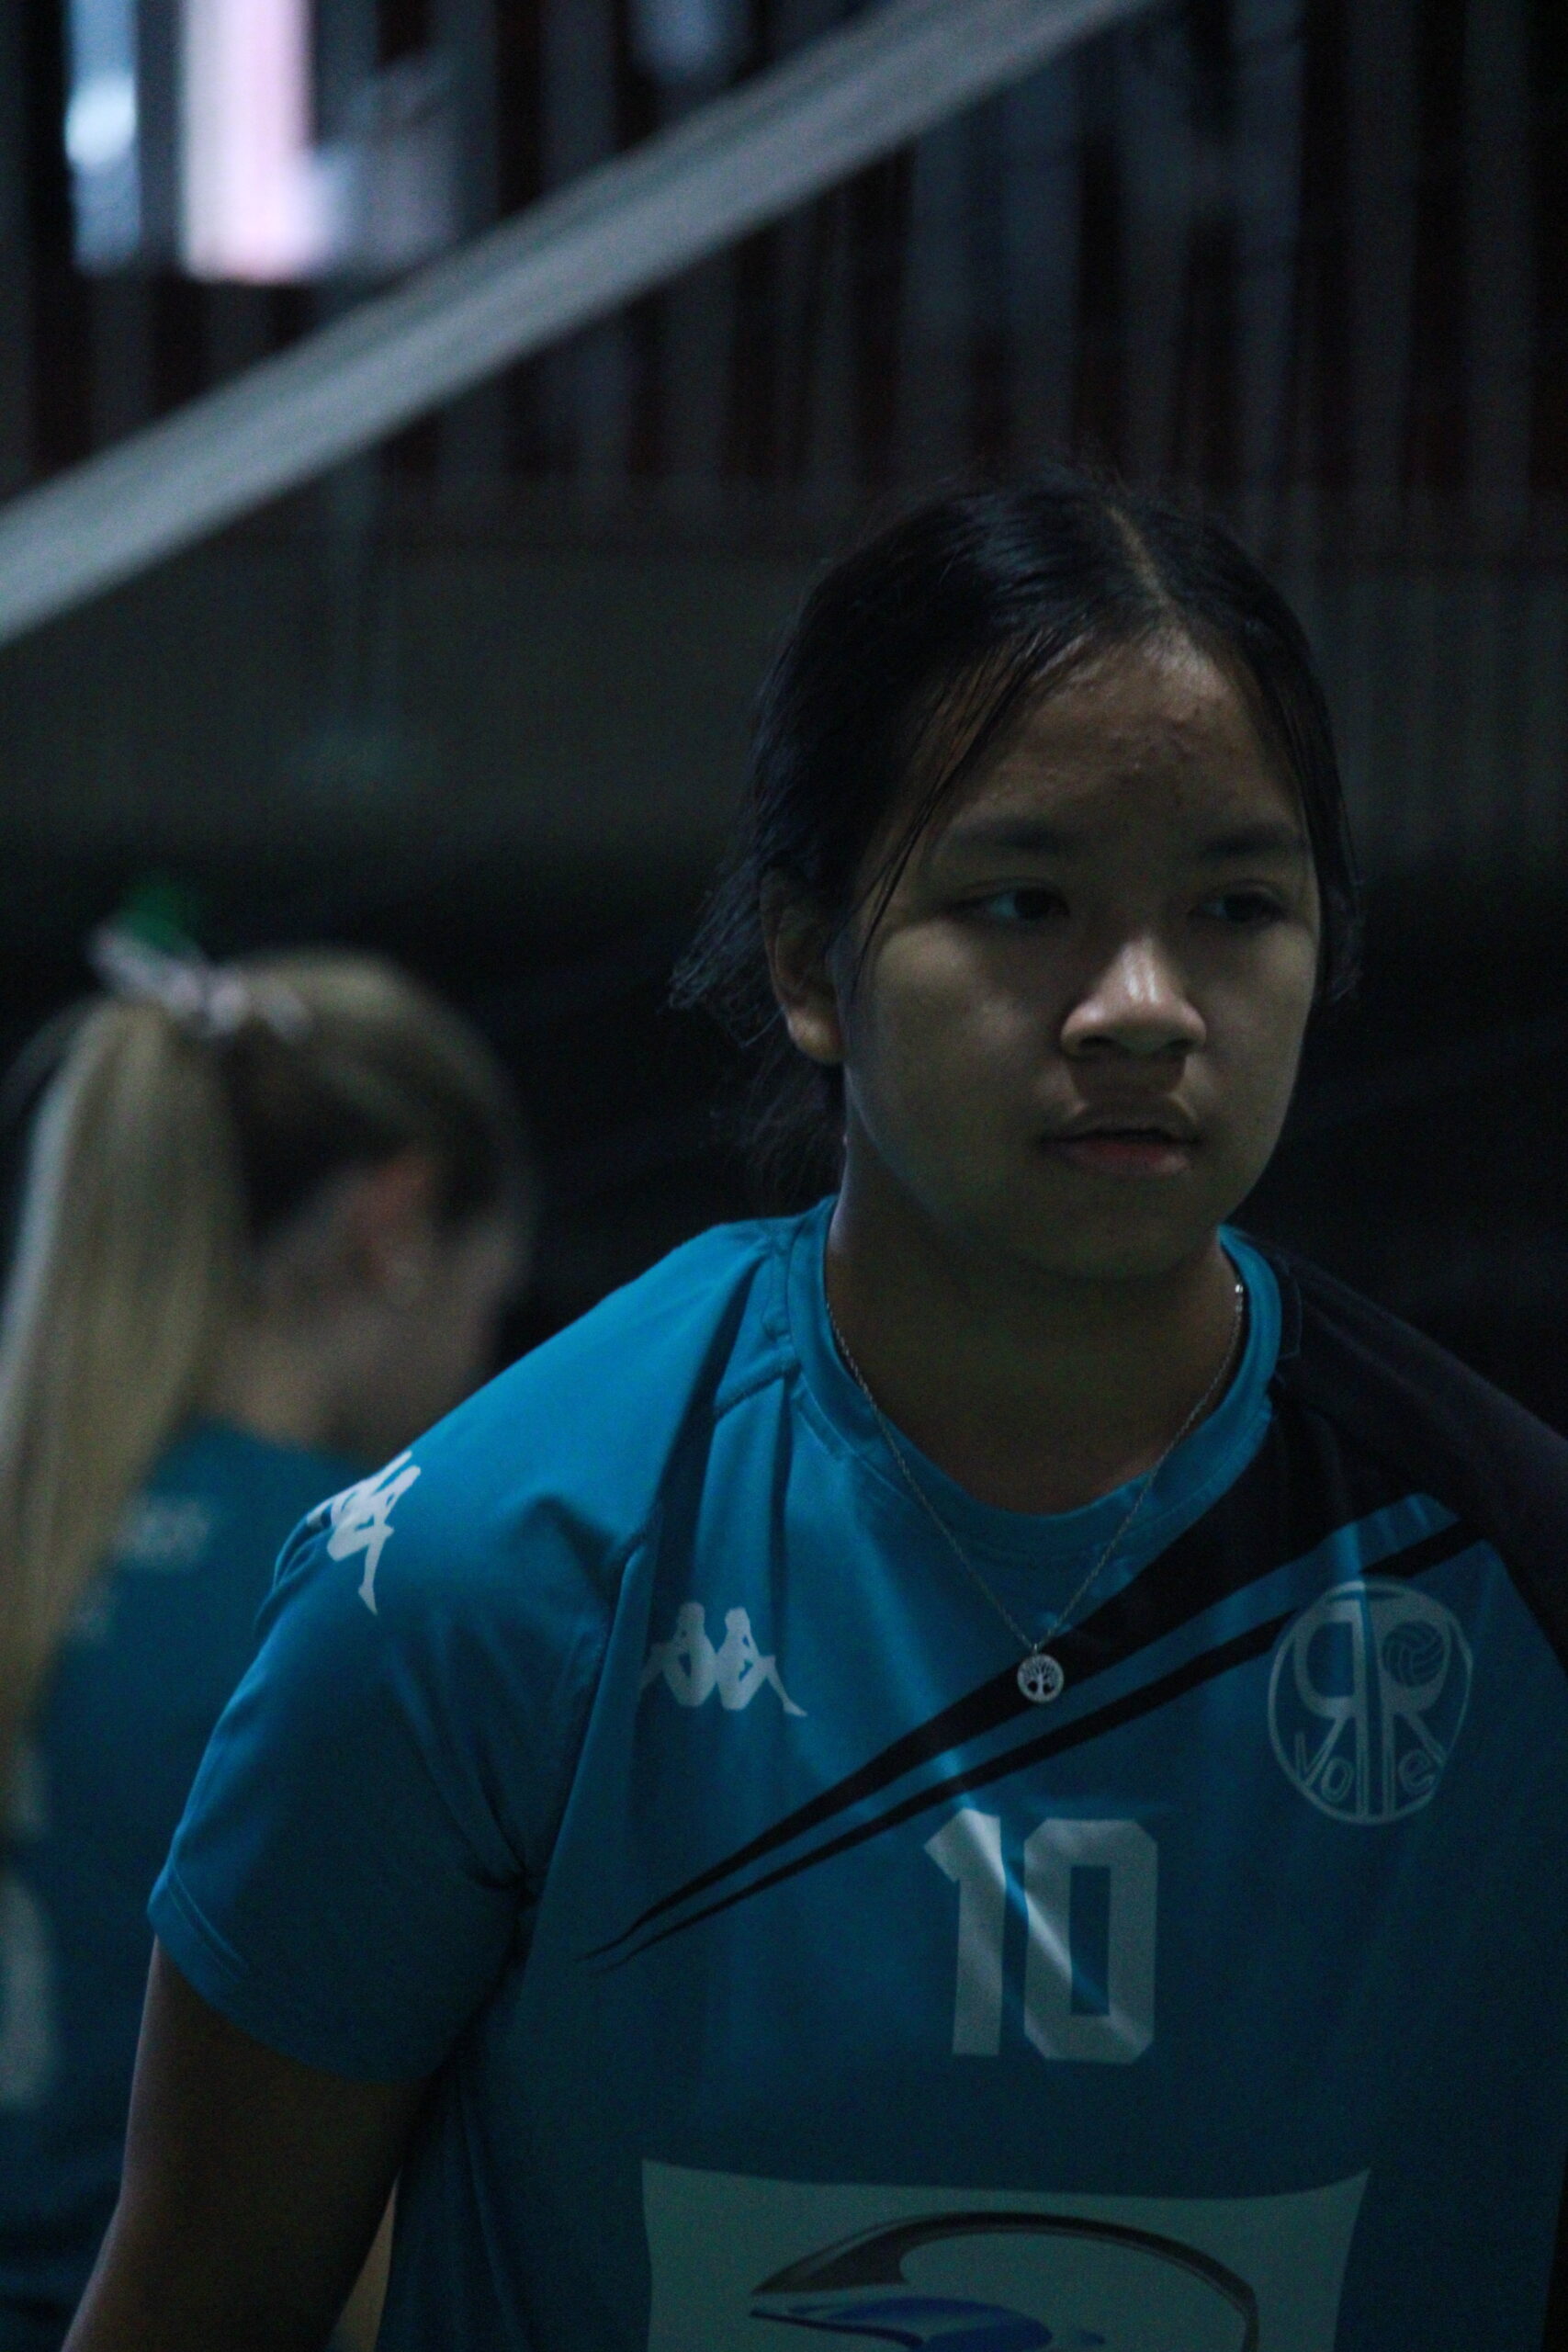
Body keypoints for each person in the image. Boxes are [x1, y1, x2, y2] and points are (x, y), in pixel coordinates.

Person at [68, 473, 1568, 2352]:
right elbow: (197, 2305)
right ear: (807, 963)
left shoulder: (1516, 1581)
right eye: (1021, 901)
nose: (1141, 1004)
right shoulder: (477, 1579)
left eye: (1235, 906)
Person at [0, 928, 527, 2351]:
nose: (477, 1368)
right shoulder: (373, 1587)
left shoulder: (36, 1542)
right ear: (395, 1224)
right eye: (488, 1302)